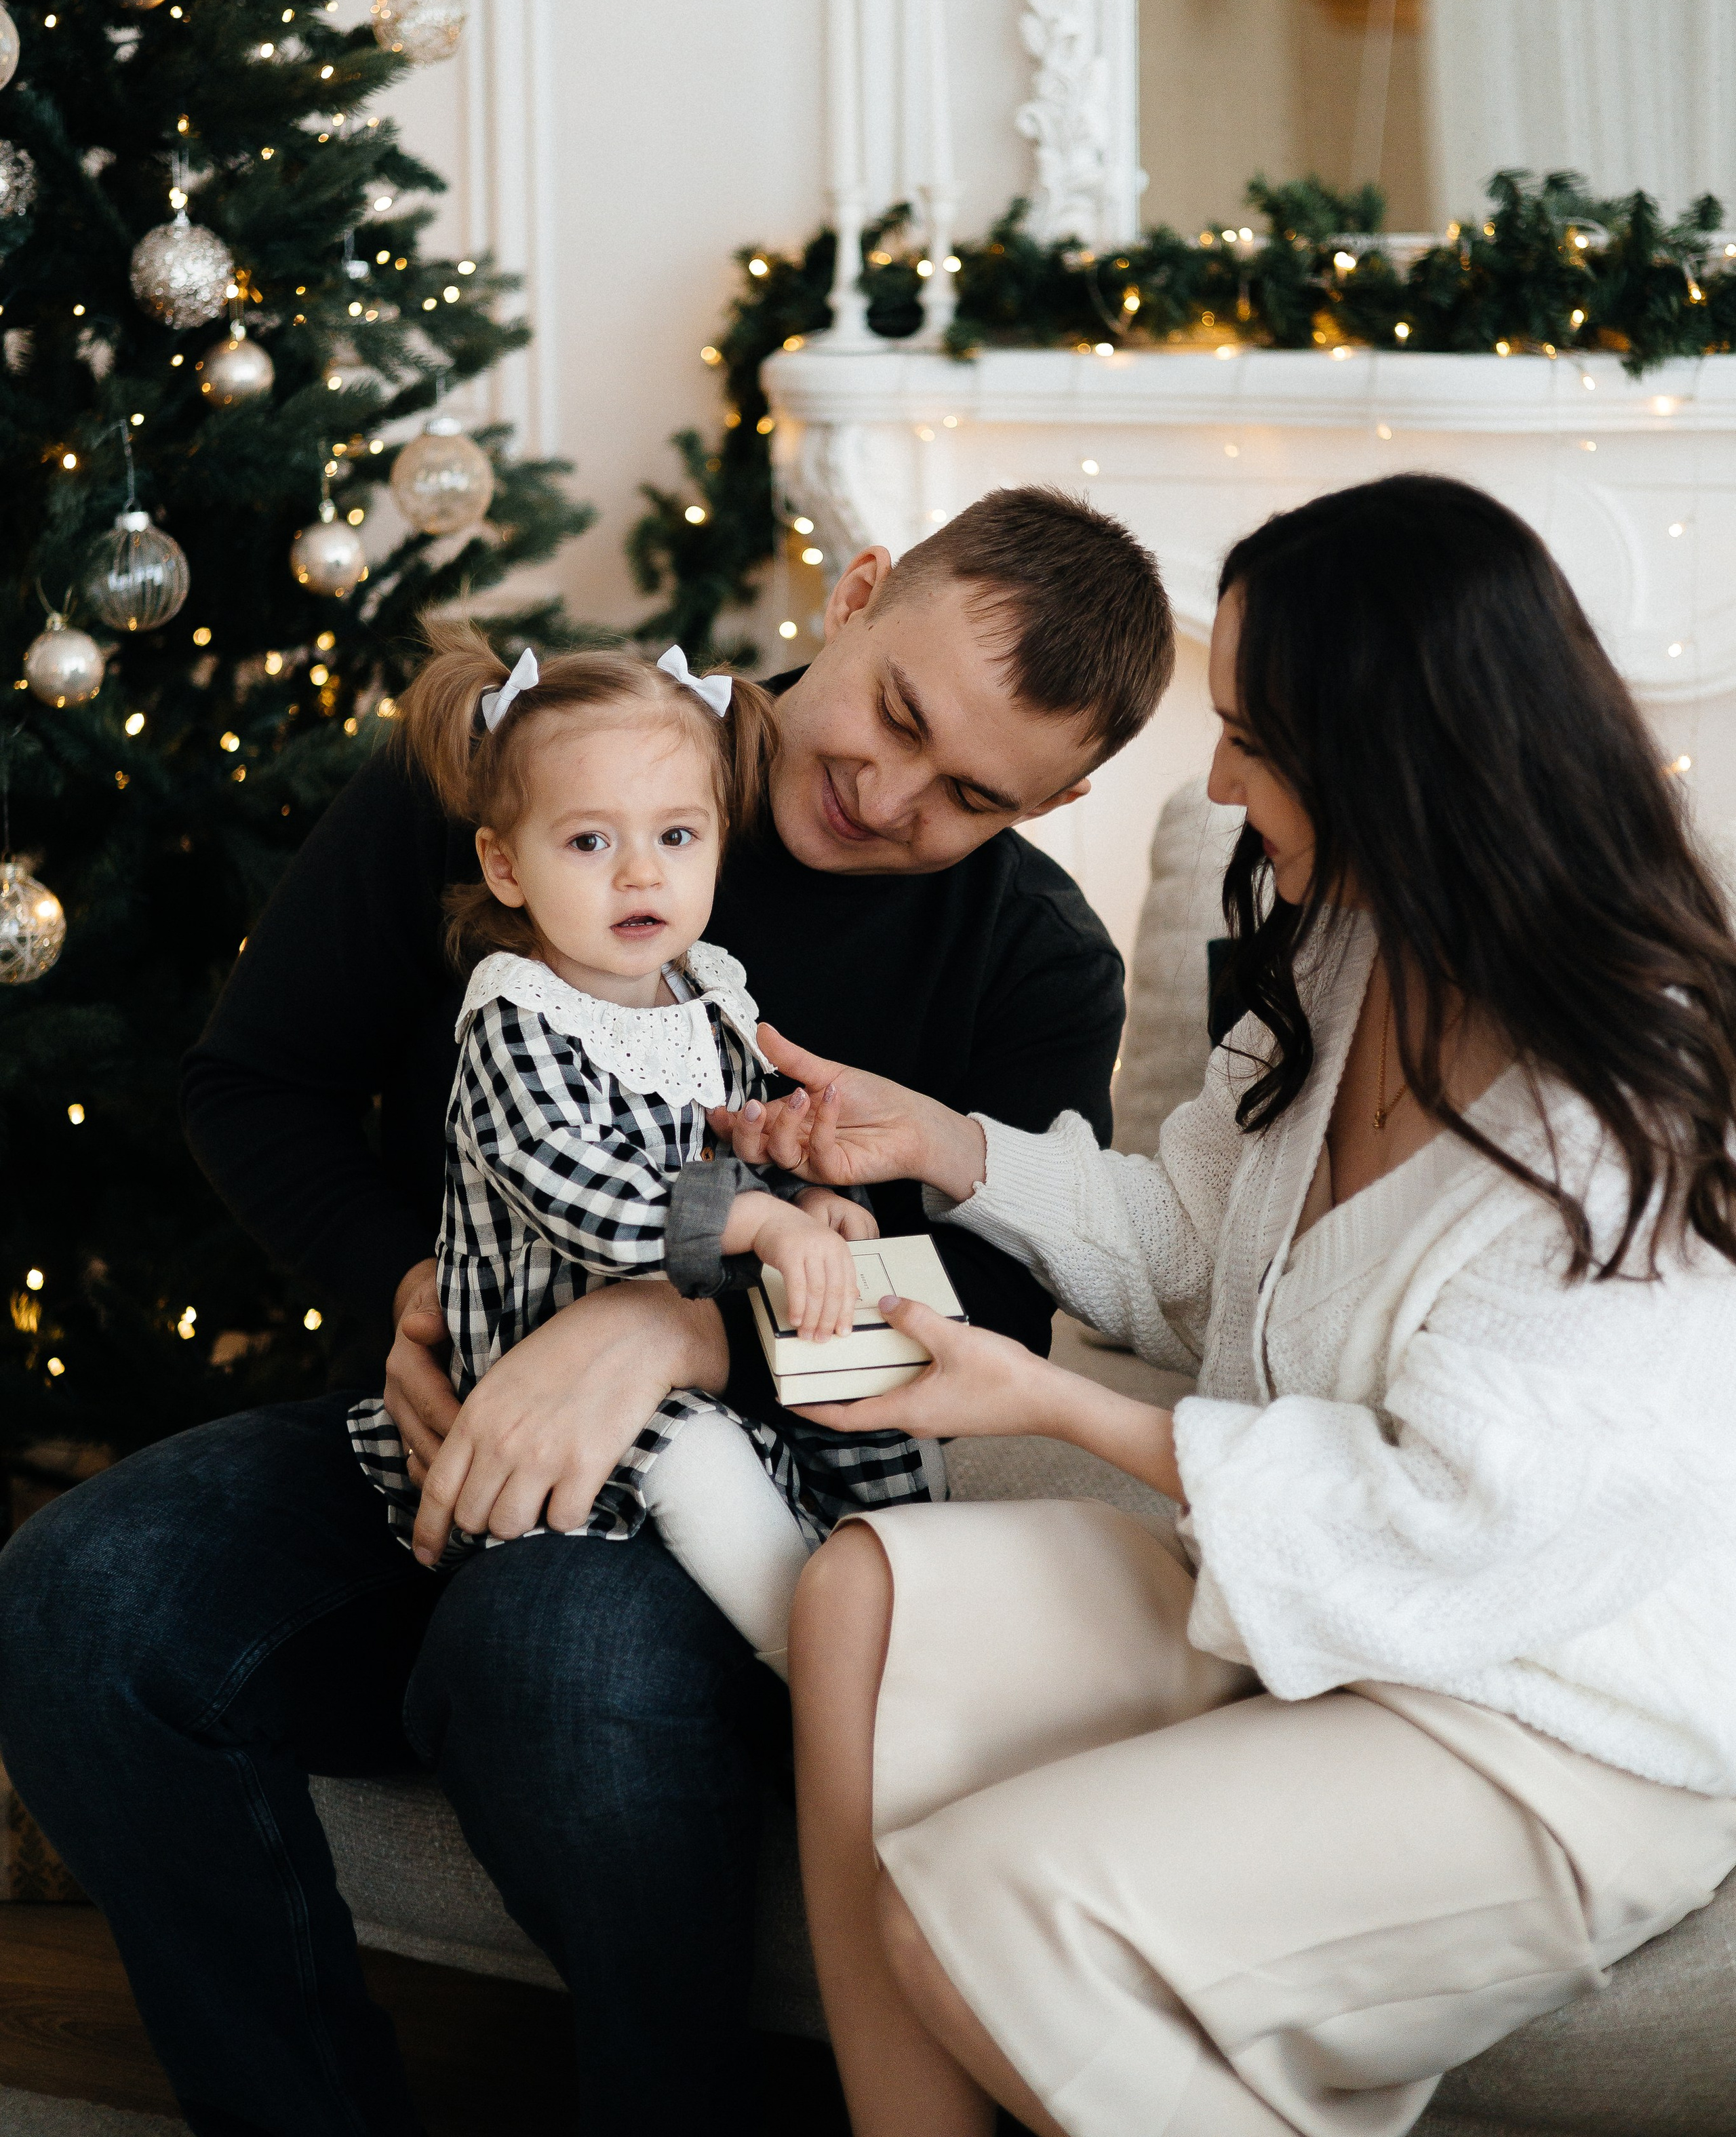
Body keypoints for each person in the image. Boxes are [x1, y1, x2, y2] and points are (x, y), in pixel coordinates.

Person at [0, 486, 1173, 2137]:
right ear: (855, 591)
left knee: (553, 1649)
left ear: (1063, 798)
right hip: (420, 1439)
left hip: (734, 1519)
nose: (884, 792)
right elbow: (253, 1082)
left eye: (971, 794)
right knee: (76, 1601)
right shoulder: (538, 758)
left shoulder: (1034, 961)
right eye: (896, 713)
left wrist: (663, 1330)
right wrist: (419, 1291)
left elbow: (986, 1316)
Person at [726, 475, 1736, 2137]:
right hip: (1303, 1622)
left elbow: (1459, 1523)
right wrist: (941, 1142)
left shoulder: (1630, 1106)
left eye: (1250, 736)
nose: (1214, 778)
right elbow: (1195, 1250)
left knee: (972, 1917)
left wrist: (1053, 1405)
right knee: (862, 1595)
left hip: (1547, 1718)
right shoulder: (1339, 960)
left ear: (1390, 755)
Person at [351, 623, 932, 1678]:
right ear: (505, 863)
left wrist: (803, 1187)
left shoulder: (709, 988)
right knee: (701, 1463)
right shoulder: (514, 1015)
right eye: (589, 842)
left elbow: (745, 1131)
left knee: (875, 1378)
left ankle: (920, 1603)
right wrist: (755, 1217)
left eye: (676, 837)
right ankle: (822, 1671)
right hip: (550, 1367)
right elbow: (579, 1187)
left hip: (703, 1335)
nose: (638, 876)